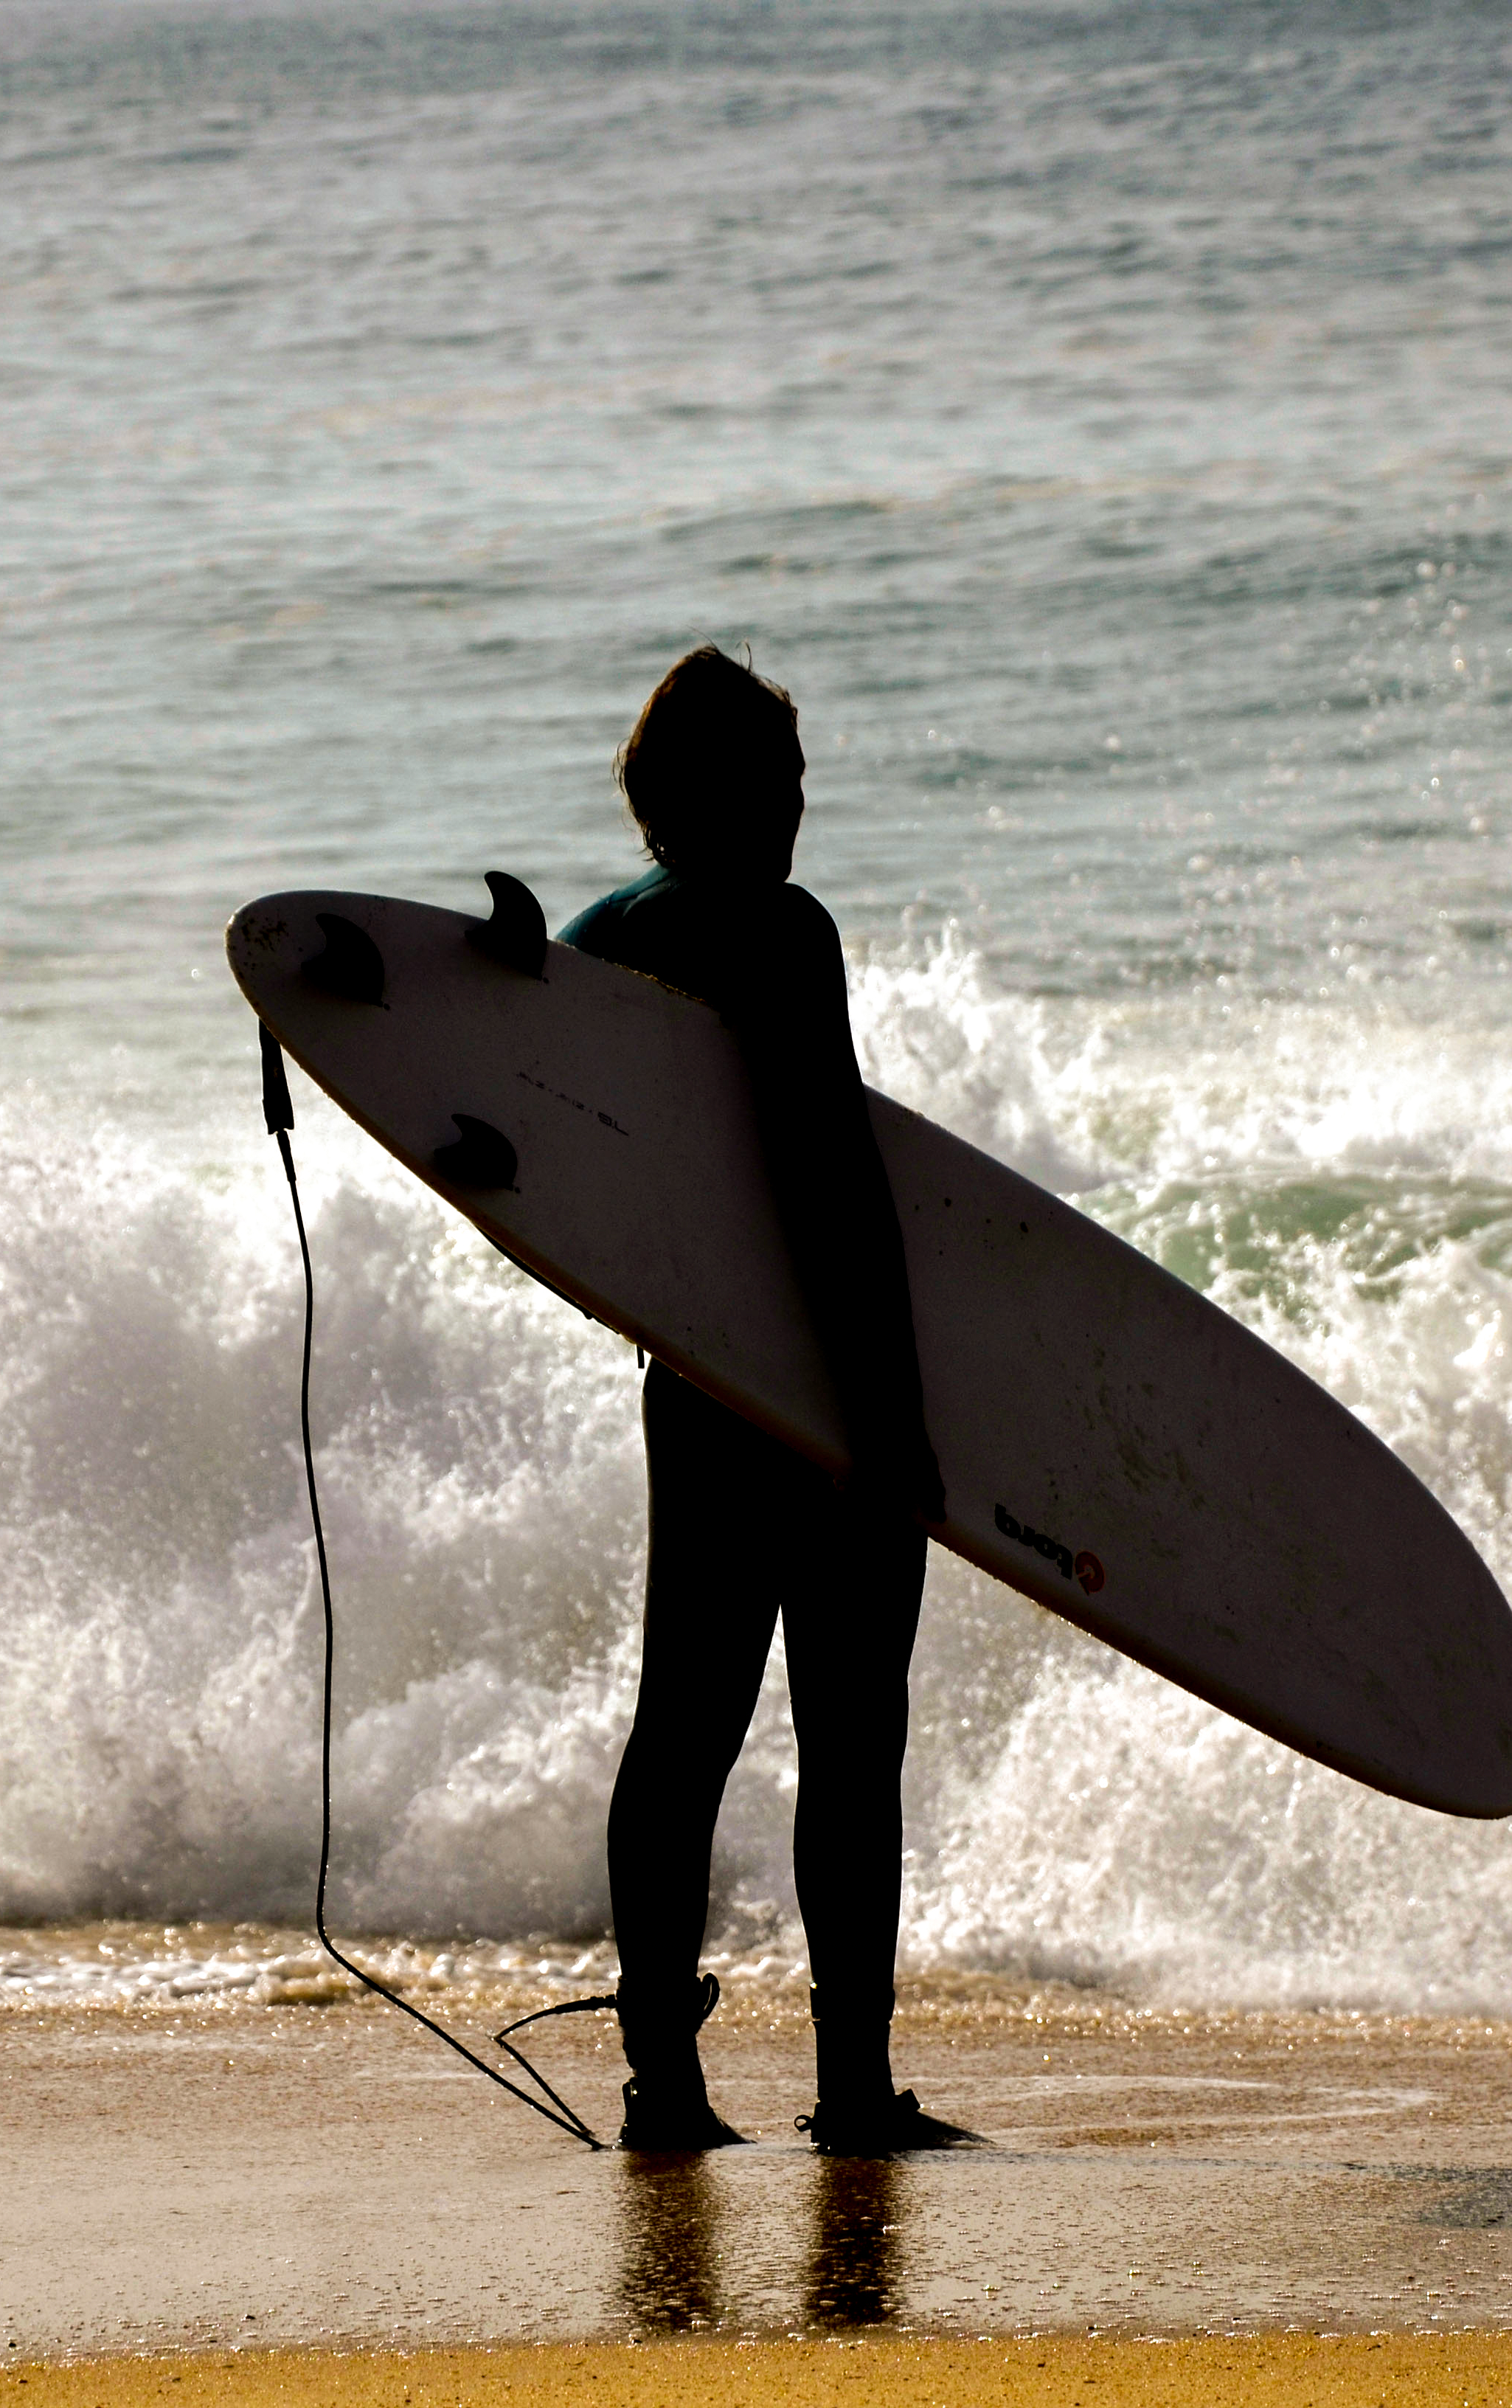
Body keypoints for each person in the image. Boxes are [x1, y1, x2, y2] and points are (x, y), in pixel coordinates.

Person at [558, 646, 983, 2158]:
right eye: (780, 780)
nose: (800, 811)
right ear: (718, 792)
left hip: (697, 1383)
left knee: (683, 1724)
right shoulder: (781, 928)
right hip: (814, 1391)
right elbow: (828, 1173)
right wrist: (886, 1415)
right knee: (850, 1732)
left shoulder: (597, 935)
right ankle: (854, 2093)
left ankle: (658, 2084)